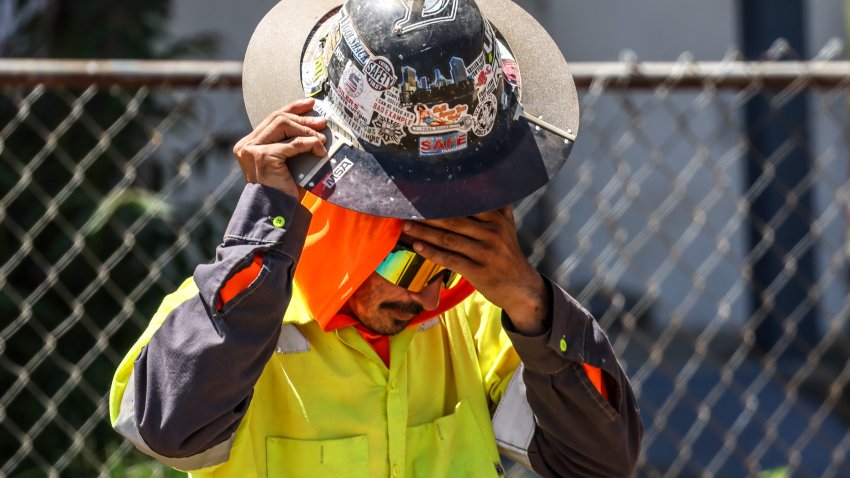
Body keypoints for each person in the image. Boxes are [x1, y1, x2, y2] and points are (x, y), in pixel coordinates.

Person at [110, 0, 642, 477]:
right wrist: (262, 234)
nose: (432, 297)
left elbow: (597, 464)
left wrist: (532, 301)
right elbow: (167, 431)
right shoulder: (230, 313)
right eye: (411, 266)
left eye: (450, 268)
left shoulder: (476, 318)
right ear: (346, 232)